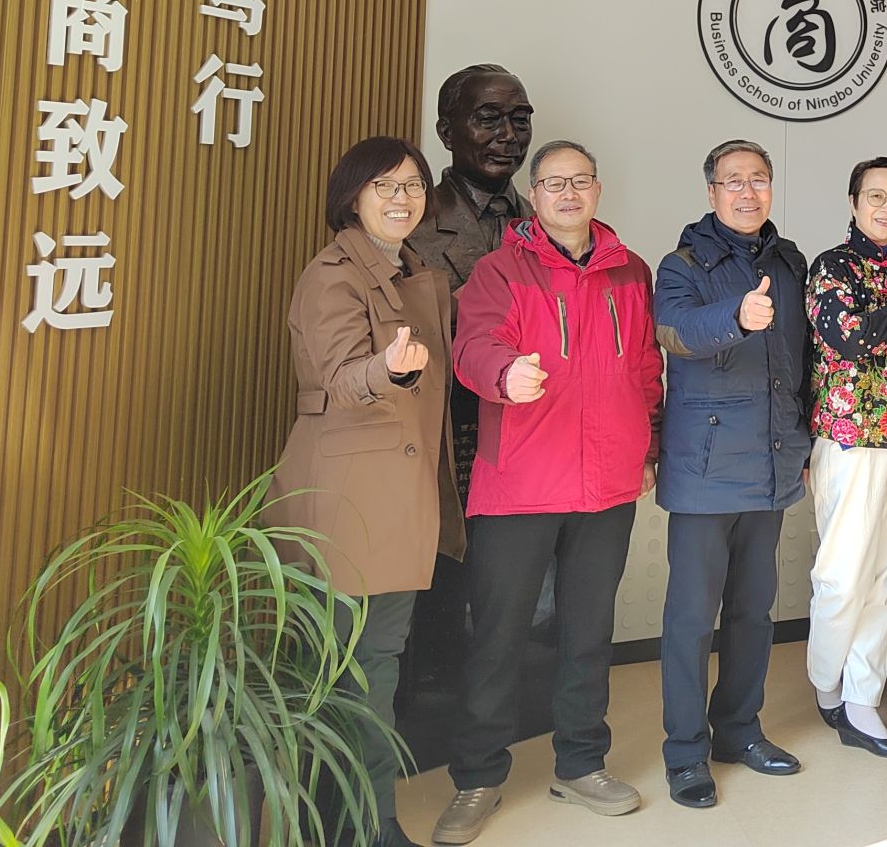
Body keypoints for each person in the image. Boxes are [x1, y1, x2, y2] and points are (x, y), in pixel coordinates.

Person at [432, 142, 663, 845]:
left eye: (579, 181)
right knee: (497, 636)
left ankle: (581, 764)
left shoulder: (631, 271)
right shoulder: (501, 270)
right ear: (534, 195)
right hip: (520, 484)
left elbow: (646, 368)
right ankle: (477, 777)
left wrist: (648, 446)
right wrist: (504, 375)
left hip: (607, 483)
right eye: (554, 183)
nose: (568, 193)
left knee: (588, 633)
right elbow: (472, 347)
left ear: (598, 189)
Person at [269, 138, 461, 847]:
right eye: (385, 186)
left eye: (413, 185)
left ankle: (359, 819)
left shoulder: (411, 271)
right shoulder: (333, 275)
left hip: (396, 499)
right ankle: (364, 824)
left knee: (373, 662)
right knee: (357, 670)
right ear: (353, 196)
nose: (402, 198)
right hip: (350, 503)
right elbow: (340, 377)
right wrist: (390, 370)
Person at [653, 140, 812, 808]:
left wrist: (804, 442)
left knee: (752, 612)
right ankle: (686, 753)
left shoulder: (790, 261)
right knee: (692, 619)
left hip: (771, 462)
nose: (748, 192)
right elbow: (674, 332)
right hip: (705, 469)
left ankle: (740, 731)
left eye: (759, 180)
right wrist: (737, 317)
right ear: (712, 192)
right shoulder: (683, 263)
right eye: (734, 181)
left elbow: (804, 359)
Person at [403, 65, 533, 690]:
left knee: (521, 595)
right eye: (488, 119)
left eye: (520, 120)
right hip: (445, 439)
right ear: (446, 131)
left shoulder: (546, 219)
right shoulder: (413, 220)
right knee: (442, 592)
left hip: (532, 439)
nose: (508, 135)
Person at [803, 156, 887, 759]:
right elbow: (848, 337)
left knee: (886, 579)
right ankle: (826, 682)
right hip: (851, 440)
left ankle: (862, 698)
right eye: (876, 196)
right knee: (841, 576)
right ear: (854, 201)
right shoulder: (832, 266)